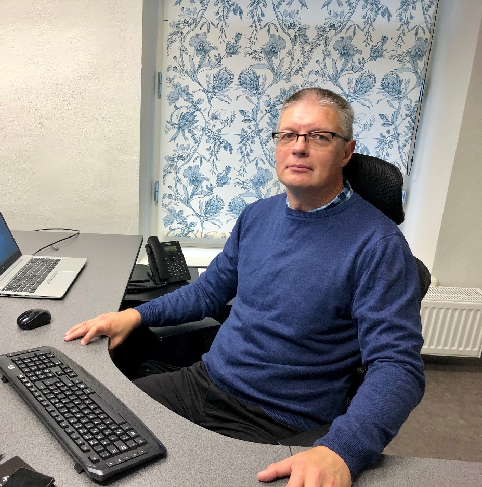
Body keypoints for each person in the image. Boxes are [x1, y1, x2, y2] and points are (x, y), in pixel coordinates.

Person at [64, 87, 425, 486]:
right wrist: (133, 315)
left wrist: (342, 449)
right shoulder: (257, 216)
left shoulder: (378, 245)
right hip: (203, 382)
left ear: (346, 152)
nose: (299, 147)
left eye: (319, 137)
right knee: (91, 424)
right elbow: (207, 292)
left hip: (277, 419)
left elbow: (398, 366)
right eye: (288, 135)